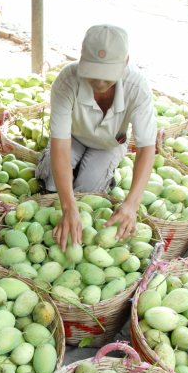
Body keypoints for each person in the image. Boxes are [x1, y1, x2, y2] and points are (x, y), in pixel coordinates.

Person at [36, 24, 156, 252]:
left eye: (107, 76)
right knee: (54, 187)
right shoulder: (66, 81)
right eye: (93, 73)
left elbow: (146, 148)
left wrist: (132, 204)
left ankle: (97, 180)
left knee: (87, 192)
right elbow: (61, 145)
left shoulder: (138, 87)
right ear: (81, 57)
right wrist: (68, 207)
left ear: (126, 61)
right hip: (73, 138)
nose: (100, 83)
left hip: (109, 144)